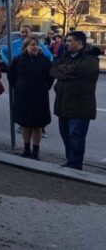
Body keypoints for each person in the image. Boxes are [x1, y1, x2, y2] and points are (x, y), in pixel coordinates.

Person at [50, 31, 99, 170]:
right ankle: (70, 160)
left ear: (79, 42)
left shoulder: (91, 59)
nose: (66, 43)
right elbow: (53, 70)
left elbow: (77, 70)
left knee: (76, 136)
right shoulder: (65, 56)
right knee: (66, 135)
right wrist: (66, 72)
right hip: (63, 104)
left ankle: (76, 164)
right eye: (66, 41)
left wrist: (64, 71)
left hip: (80, 105)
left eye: (70, 41)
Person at [7, 37, 54, 160]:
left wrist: (44, 87)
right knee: (25, 124)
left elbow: (50, 77)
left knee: (37, 125)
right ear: (25, 47)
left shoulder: (45, 61)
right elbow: (11, 75)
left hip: (39, 98)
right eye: (32, 45)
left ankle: (35, 151)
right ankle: (26, 149)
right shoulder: (18, 60)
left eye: (36, 44)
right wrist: (18, 86)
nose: (35, 47)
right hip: (23, 97)